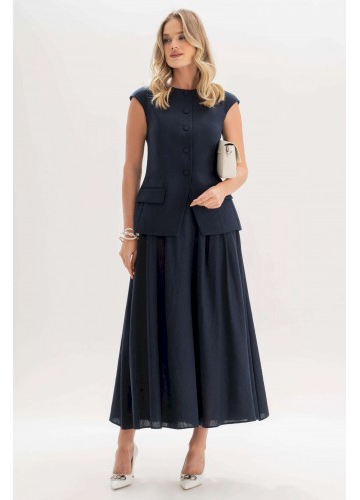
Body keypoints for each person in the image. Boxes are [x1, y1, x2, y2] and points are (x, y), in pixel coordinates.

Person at [109, 9, 269, 490]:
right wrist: (129, 234)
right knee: (146, 331)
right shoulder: (143, 101)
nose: (174, 45)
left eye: (181, 37)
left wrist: (223, 190)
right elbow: (131, 169)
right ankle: (125, 440)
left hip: (212, 232)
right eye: (167, 39)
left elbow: (241, 168)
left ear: (198, 42)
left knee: (209, 331)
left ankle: (199, 442)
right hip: (158, 230)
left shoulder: (225, 103)